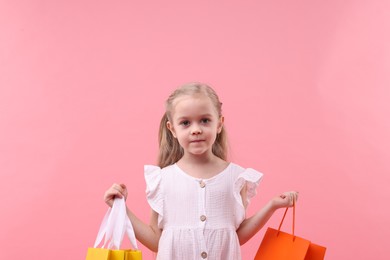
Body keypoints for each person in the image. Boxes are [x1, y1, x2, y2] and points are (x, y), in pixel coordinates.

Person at [104, 82, 299, 259]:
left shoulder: (236, 178)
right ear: (172, 129)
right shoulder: (162, 180)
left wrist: (272, 205)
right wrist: (121, 209)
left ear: (219, 123)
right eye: (185, 123)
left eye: (205, 120)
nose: (196, 129)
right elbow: (156, 240)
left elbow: (235, 236)